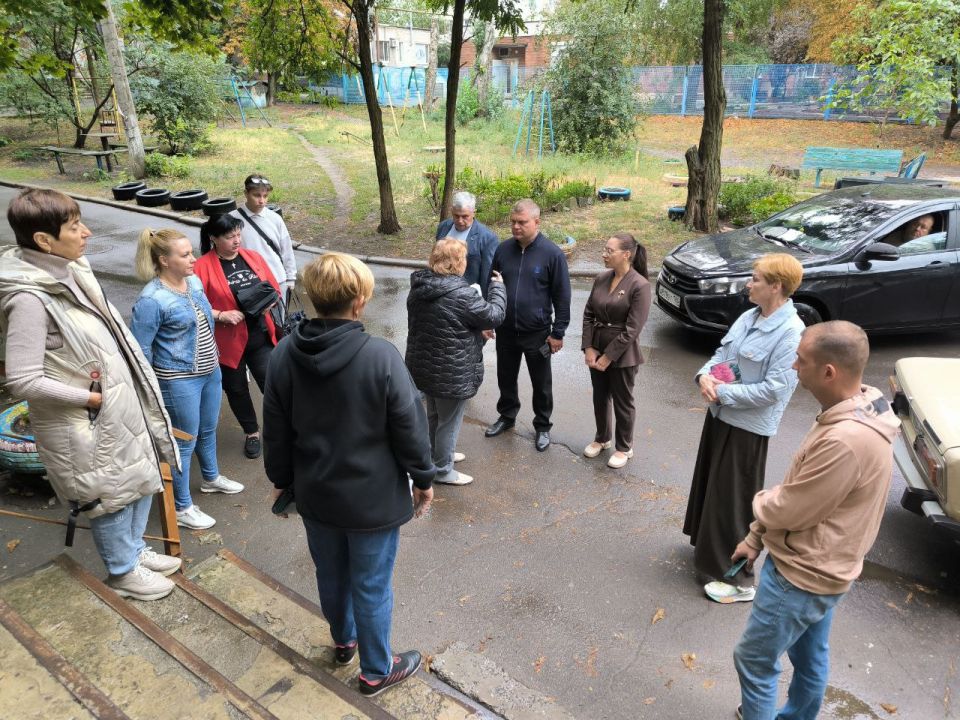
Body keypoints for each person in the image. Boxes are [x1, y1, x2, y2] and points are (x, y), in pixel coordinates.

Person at [262, 252, 435, 697]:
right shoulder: (380, 356)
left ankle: (344, 641)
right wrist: (425, 478)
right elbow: (410, 427)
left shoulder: (283, 355)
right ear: (359, 302)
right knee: (372, 584)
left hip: (316, 495)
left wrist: (281, 480)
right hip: (372, 500)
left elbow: (276, 430)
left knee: (331, 574)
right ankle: (377, 670)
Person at [0, 189, 181, 600]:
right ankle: (123, 572)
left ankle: (134, 552)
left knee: (135, 479)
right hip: (86, 421)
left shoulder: (70, 268)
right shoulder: (28, 297)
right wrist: (91, 400)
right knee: (108, 495)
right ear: (44, 240)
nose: (86, 232)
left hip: (114, 406)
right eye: (74, 226)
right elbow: (23, 380)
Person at [730, 321, 899, 720]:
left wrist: (759, 505)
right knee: (809, 655)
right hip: (827, 568)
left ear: (829, 372)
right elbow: (801, 490)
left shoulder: (846, 440)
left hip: (803, 575)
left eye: (801, 360)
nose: (793, 366)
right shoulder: (856, 407)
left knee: (754, 660)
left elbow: (789, 506)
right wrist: (755, 539)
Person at [682, 253, 805, 602]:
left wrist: (722, 392)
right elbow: (724, 357)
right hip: (721, 415)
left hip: (747, 427)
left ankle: (738, 580)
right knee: (711, 490)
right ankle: (708, 552)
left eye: (755, 279)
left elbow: (774, 391)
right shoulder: (750, 317)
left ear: (776, 287)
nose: (748, 285)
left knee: (734, 503)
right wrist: (705, 377)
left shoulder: (791, 334)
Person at [131, 228, 244, 531]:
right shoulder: (152, 300)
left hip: (210, 370)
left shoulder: (193, 282)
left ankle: (210, 478)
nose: (194, 259)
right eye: (185, 255)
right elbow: (140, 350)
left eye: (191, 252)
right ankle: (181, 507)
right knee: (182, 443)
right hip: (178, 380)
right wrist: (150, 390)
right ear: (164, 260)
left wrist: (222, 316)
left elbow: (203, 318)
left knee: (208, 430)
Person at [405, 238, 506, 485]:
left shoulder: (420, 287)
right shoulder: (462, 294)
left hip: (424, 367)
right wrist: (498, 288)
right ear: (458, 263)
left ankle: (436, 456)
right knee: (448, 422)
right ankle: (443, 470)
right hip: (452, 369)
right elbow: (494, 315)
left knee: (434, 416)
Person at [485, 199, 571, 452]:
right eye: (513, 222)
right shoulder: (503, 250)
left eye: (522, 222)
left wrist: (558, 333)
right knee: (506, 377)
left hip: (538, 333)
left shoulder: (552, 254)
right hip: (506, 330)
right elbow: (492, 286)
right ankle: (507, 416)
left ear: (536, 222)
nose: (516, 226)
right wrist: (488, 319)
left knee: (541, 383)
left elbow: (562, 297)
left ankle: (542, 426)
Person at [194, 213, 280, 460]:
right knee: (236, 389)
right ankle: (251, 432)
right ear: (214, 238)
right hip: (227, 343)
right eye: (230, 236)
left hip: (260, 336)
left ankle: (287, 427)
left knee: (273, 383)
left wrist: (268, 303)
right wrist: (220, 315)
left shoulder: (253, 257)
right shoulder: (201, 268)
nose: (236, 240)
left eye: (238, 234)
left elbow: (273, 288)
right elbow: (193, 305)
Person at [581, 233, 652, 469]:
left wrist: (608, 356)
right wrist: (589, 347)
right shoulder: (601, 278)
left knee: (623, 401)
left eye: (609, 250)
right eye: (604, 249)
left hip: (622, 355)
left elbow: (633, 328)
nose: (604, 254)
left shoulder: (639, 285)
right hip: (597, 347)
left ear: (626, 254)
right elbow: (589, 313)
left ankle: (624, 447)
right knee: (599, 397)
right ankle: (602, 438)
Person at [229, 174, 297, 302]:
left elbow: (286, 249)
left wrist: (290, 277)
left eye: (265, 196)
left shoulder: (275, 219)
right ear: (246, 193)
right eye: (256, 195)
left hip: (278, 279)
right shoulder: (232, 219)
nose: (262, 201)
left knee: (279, 320)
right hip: (249, 283)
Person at [434, 191, 500, 298]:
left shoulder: (487, 238)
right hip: (440, 293)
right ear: (451, 211)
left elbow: (487, 274)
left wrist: (484, 303)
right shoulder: (443, 227)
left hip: (467, 298)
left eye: (465, 216)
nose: (460, 221)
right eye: (456, 216)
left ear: (474, 213)